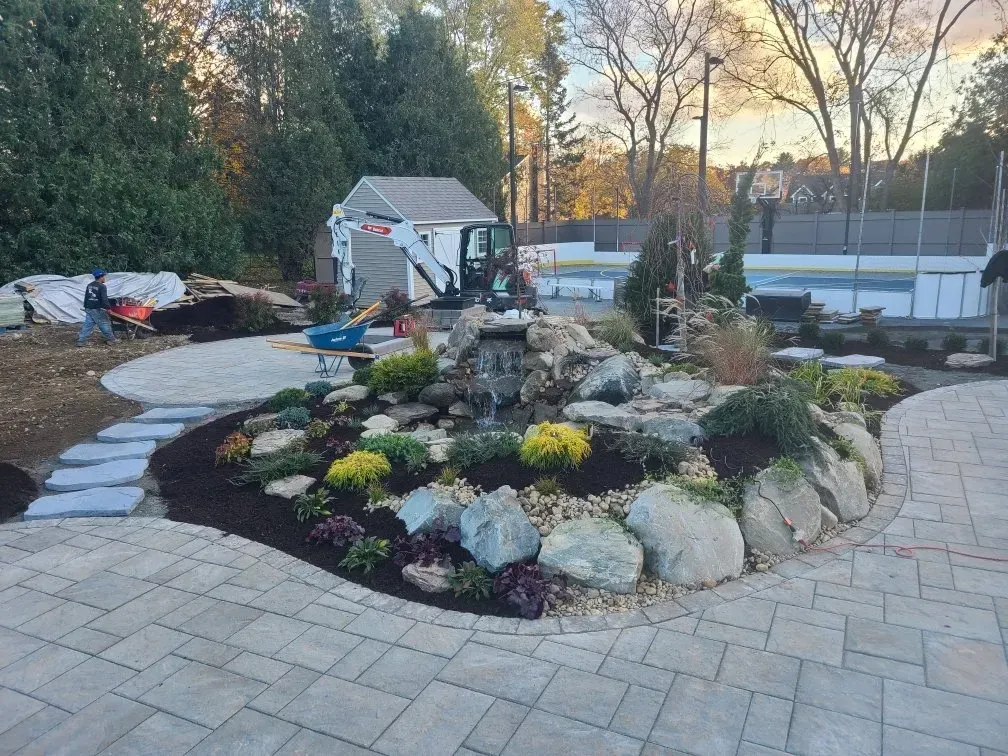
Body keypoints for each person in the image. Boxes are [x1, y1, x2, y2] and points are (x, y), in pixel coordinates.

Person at [77, 269, 117, 346]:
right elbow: (104, 299)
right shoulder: (102, 286)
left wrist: (85, 306)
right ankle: (111, 339)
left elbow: (86, 297)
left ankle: (81, 341)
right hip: (98, 309)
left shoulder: (90, 285)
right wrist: (108, 308)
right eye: (104, 276)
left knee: (88, 325)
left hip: (89, 308)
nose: (104, 278)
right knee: (104, 324)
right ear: (101, 277)